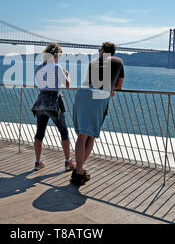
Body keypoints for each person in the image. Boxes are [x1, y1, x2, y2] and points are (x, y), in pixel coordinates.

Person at [71, 42, 125, 185]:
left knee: (82, 135)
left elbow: (89, 82)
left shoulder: (94, 61)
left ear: (102, 51)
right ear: (113, 52)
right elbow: (119, 86)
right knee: (92, 135)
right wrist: (111, 89)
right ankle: (79, 170)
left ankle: (79, 168)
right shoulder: (119, 61)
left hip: (83, 94)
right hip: (100, 97)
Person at [31, 43, 75, 172]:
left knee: (39, 133)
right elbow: (66, 85)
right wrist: (67, 75)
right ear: (55, 55)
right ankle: (68, 162)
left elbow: (40, 87)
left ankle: (38, 162)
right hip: (54, 102)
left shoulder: (38, 68)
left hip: (41, 101)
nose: (59, 59)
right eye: (59, 56)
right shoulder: (57, 67)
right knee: (64, 132)